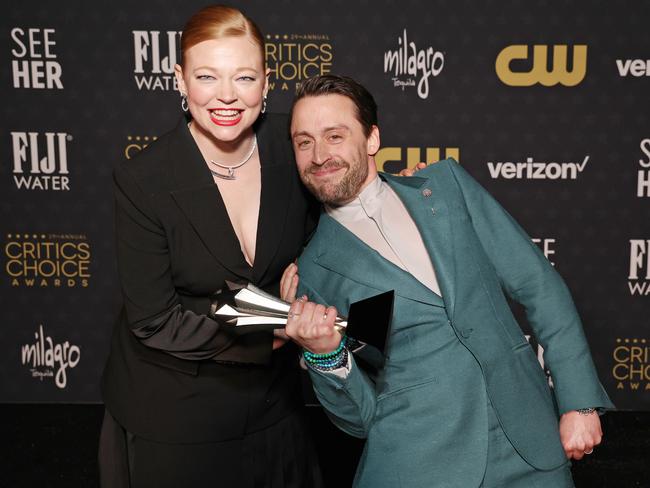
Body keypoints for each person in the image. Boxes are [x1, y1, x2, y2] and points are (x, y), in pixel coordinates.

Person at [282, 74, 615, 487]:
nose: (319, 155)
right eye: (304, 142)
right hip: (418, 464)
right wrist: (326, 357)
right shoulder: (312, 271)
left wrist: (579, 402)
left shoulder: (445, 186)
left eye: (334, 135)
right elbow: (361, 417)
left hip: (529, 447)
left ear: (371, 139)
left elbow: (538, 286)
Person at [99, 6, 323, 487]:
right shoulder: (143, 180)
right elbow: (155, 322)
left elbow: (345, 198)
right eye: (207, 76)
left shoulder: (294, 146)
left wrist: (400, 192)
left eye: (244, 77)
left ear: (266, 82)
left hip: (273, 404)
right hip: (174, 404)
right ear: (180, 81)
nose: (227, 96)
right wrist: (276, 328)